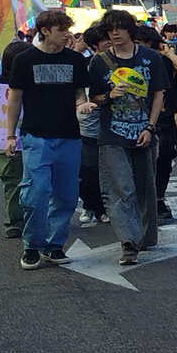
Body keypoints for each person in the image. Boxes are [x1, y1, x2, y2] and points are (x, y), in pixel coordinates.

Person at [3, 9, 89, 271]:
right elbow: (14, 98)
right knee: (36, 194)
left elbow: (79, 93)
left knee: (66, 195)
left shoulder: (76, 60)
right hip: (36, 136)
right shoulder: (25, 59)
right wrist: (10, 135)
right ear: (45, 31)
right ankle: (32, 245)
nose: (67, 34)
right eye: (61, 30)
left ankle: (54, 246)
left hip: (69, 136)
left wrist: (82, 105)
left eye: (67, 29)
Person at [88, 9, 165, 266]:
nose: (114, 33)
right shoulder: (99, 62)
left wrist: (150, 127)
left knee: (145, 187)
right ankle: (128, 242)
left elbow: (158, 94)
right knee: (120, 188)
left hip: (143, 131)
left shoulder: (150, 57)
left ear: (130, 30)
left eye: (119, 28)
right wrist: (109, 96)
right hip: (112, 133)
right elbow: (95, 97)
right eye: (110, 29)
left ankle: (144, 235)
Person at [136, 23, 177, 222]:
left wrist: (168, 53)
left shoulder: (165, 61)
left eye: (140, 43)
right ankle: (142, 200)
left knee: (164, 160)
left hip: (166, 119)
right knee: (142, 162)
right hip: (141, 118)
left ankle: (159, 198)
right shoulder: (131, 63)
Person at [0, 25, 34, 237]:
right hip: (8, 139)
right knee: (12, 181)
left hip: (29, 137)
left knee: (24, 183)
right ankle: (15, 222)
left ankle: (24, 220)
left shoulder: (34, 82)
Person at [75, 24, 108, 228]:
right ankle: (90, 205)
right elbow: (76, 91)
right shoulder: (85, 64)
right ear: (95, 44)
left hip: (112, 124)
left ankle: (103, 207)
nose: (111, 41)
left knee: (109, 170)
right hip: (88, 125)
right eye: (106, 39)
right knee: (89, 168)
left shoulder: (120, 64)